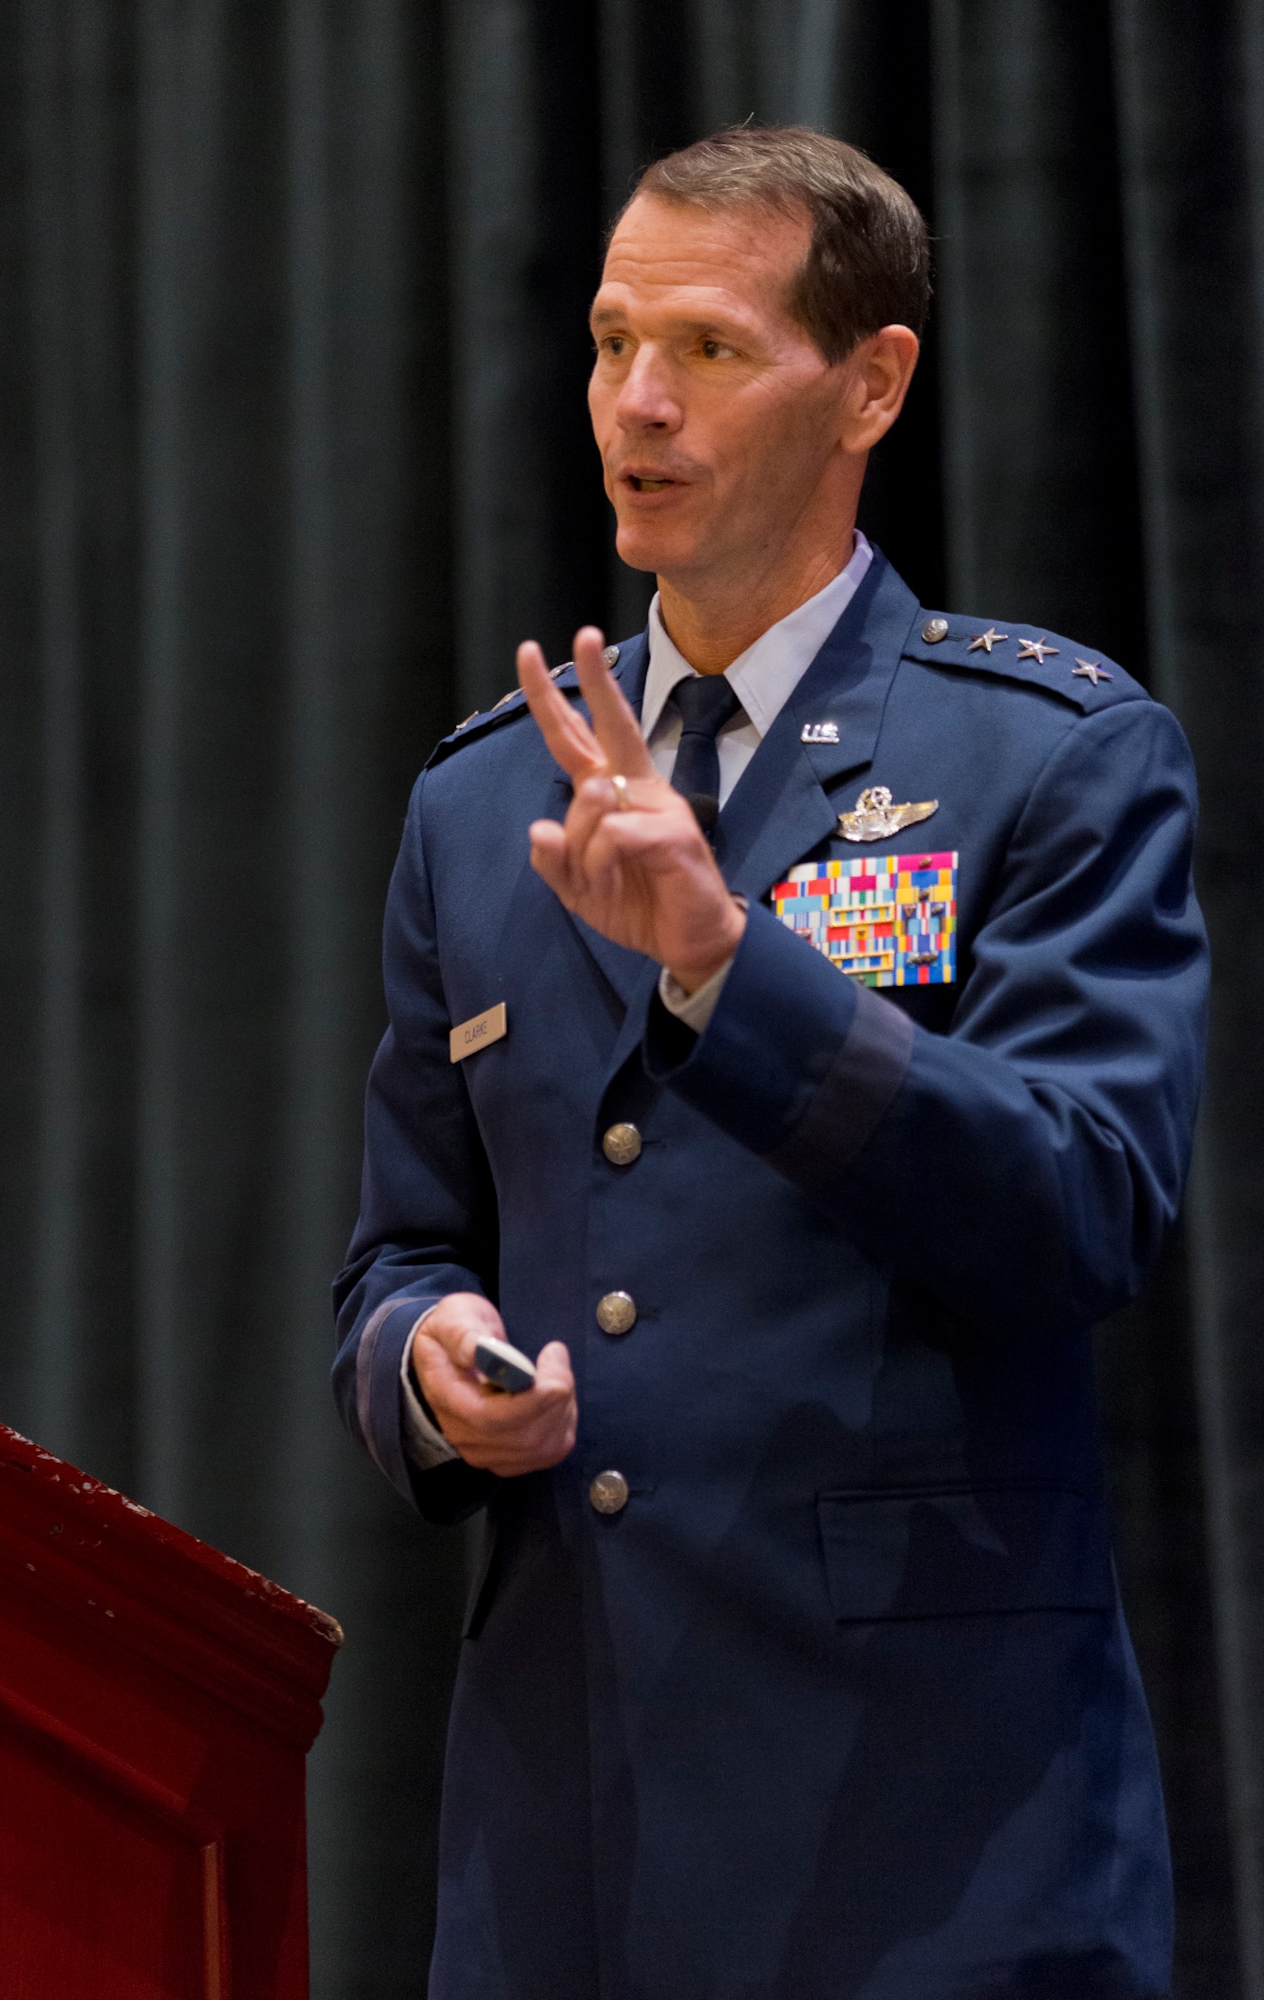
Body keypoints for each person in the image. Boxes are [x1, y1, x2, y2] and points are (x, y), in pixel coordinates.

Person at [333, 125, 1207, 2000]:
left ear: (869, 384)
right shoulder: (483, 802)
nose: (634, 404)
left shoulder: (1047, 754)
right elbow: (400, 1250)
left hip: (925, 1839)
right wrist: (425, 1368)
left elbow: (1079, 1205)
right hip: (565, 1838)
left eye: (709, 351)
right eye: (607, 342)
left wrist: (733, 969)